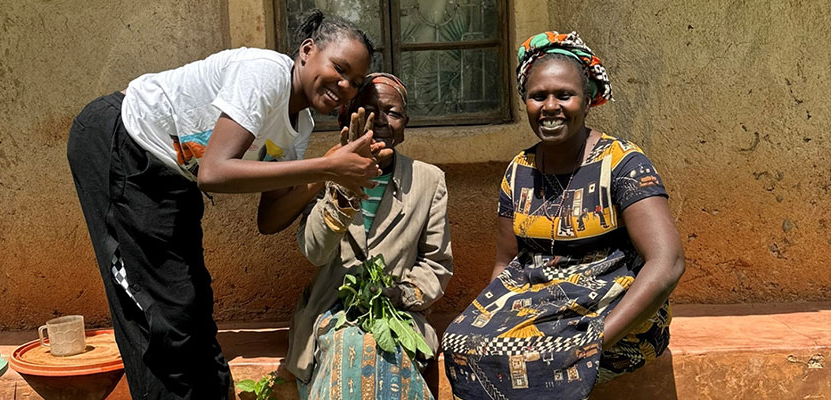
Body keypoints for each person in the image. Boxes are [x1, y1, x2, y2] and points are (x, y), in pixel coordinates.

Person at [66, 10, 382, 399]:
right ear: (307, 50)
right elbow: (213, 172)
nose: (346, 86)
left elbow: (269, 219)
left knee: (193, 306)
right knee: (158, 316)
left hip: (173, 175)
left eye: (355, 82)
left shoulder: (299, 128)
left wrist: (323, 175)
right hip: (124, 144)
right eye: (340, 68)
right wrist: (327, 165)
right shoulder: (266, 73)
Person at [441, 31, 685, 399]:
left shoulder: (623, 164)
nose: (550, 106)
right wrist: (493, 320)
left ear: (587, 101)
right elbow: (505, 264)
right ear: (526, 101)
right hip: (539, 308)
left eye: (564, 95)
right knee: (461, 344)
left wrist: (595, 339)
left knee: (543, 359)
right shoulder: (519, 170)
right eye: (538, 96)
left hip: (614, 316)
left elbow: (667, 263)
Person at [286, 73, 453, 399]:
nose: (379, 121)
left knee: (380, 344)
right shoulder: (325, 170)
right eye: (367, 110)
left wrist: (400, 294)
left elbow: (437, 264)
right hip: (329, 312)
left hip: (400, 314)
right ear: (346, 117)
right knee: (353, 343)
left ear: (405, 125)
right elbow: (315, 252)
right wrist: (345, 184)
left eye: (393, 113)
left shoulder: (428, 181)